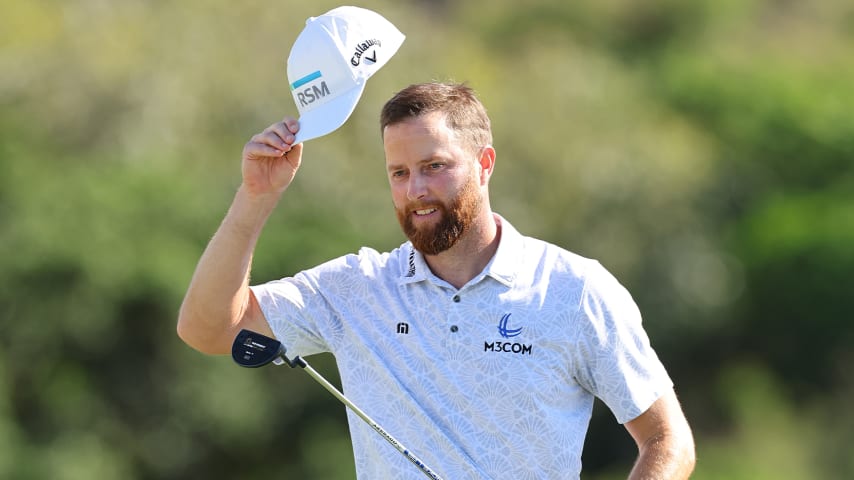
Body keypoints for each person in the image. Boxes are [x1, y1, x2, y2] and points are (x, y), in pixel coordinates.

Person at [177, 82, 696, 479]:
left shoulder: (575, 289)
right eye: (399, 173)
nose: (416, 190)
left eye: (435, 166)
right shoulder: (356, 288)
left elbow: (666, 438)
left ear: (484, 164)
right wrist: (256, 196)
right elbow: (209, 328)